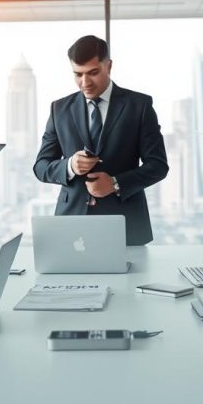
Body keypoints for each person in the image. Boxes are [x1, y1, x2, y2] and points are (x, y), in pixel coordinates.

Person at [34, 35, 169, 246]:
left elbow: (158, 166)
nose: (84, 82)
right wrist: (70, 165)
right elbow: (41, 167)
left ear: (109, 66)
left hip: (126, 224)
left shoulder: (139, 106)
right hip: (71, 225)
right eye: (77, 74)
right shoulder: (59, 109)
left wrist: (115, 184)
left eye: (93, 73)